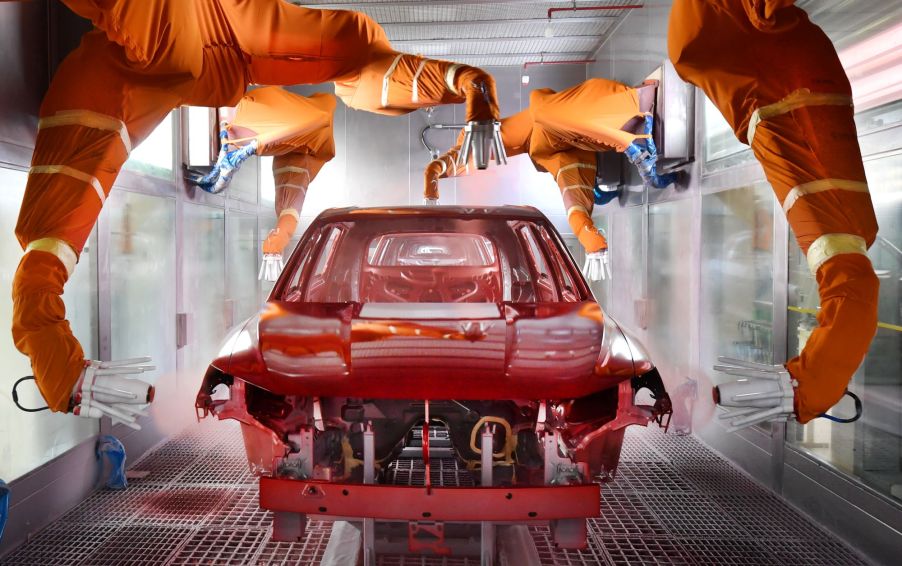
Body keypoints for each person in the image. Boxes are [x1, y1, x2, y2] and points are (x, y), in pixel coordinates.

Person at [13, 0, 503, 427]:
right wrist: (469, 85)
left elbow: (369, 64)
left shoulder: (228, 60)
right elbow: (368, 65)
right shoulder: (222, 52)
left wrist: (469, 84)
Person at [668, 0, 879, 430]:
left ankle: (813, 383)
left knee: (848, 257)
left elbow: (854, 286)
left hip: (784, 99)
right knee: (847, 258)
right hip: (784, 97)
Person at [424, 78, 678, 280]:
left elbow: (462, 152)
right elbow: (574, 204)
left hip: (607, 114)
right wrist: (591, 240)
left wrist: (433, 175)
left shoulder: (543, 113)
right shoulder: (551, 153)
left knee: (546, 113)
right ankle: (630, 145)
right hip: (579, 138)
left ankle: (633, 140)